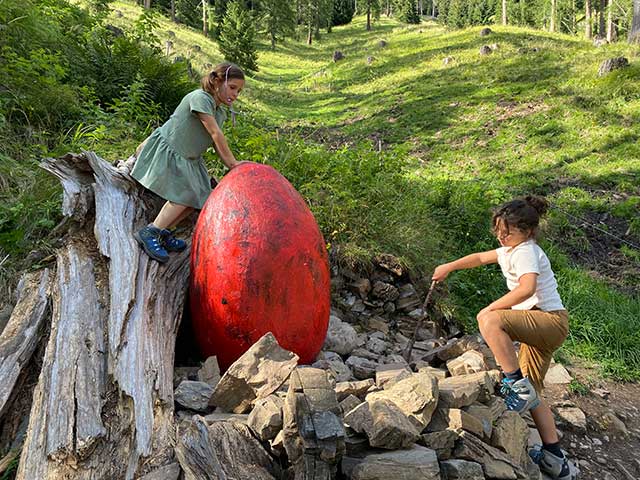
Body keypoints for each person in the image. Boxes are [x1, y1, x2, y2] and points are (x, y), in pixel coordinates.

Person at [432, 196, 574, 480]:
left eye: (508, 231)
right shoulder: (510, 249)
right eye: (498, 229)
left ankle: (513, 381)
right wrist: (449, 266)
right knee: (533, 394)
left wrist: (492, 308)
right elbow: (479, 258)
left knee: (489, 319)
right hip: (539, 327)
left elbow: (526, 288)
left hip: (548, 321)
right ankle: (554, 459)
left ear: (528, 231)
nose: (501, 235)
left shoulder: (525, 251)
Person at [128, 62, 246, 263]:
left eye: (239, 91)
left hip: (189, 159)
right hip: (171, 151)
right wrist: (232, 164)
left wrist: (232, 163)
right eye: (233, 87)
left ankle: (163, 231)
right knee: (183, 196)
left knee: (198, 199)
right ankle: (150, 231)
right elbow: (214, 133)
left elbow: (216, 141)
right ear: (217, 81)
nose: (235, 94)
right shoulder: (200, 98)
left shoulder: (220, 112)